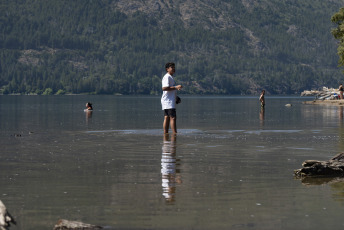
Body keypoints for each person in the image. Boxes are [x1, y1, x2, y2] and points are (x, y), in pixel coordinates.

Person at [161, 62, 183, 134]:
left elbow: (169, 90)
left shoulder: (169, 77)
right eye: (172, 67)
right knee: (172, 117)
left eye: (174, 67)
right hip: (168, 101)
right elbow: (164, 88)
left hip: (167, 100)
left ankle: (165, 134)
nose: (174, 69)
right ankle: (174, 134)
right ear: (167, 69)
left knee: (167, 117)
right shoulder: (167, 77)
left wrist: (175, 97)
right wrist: (176, 87)